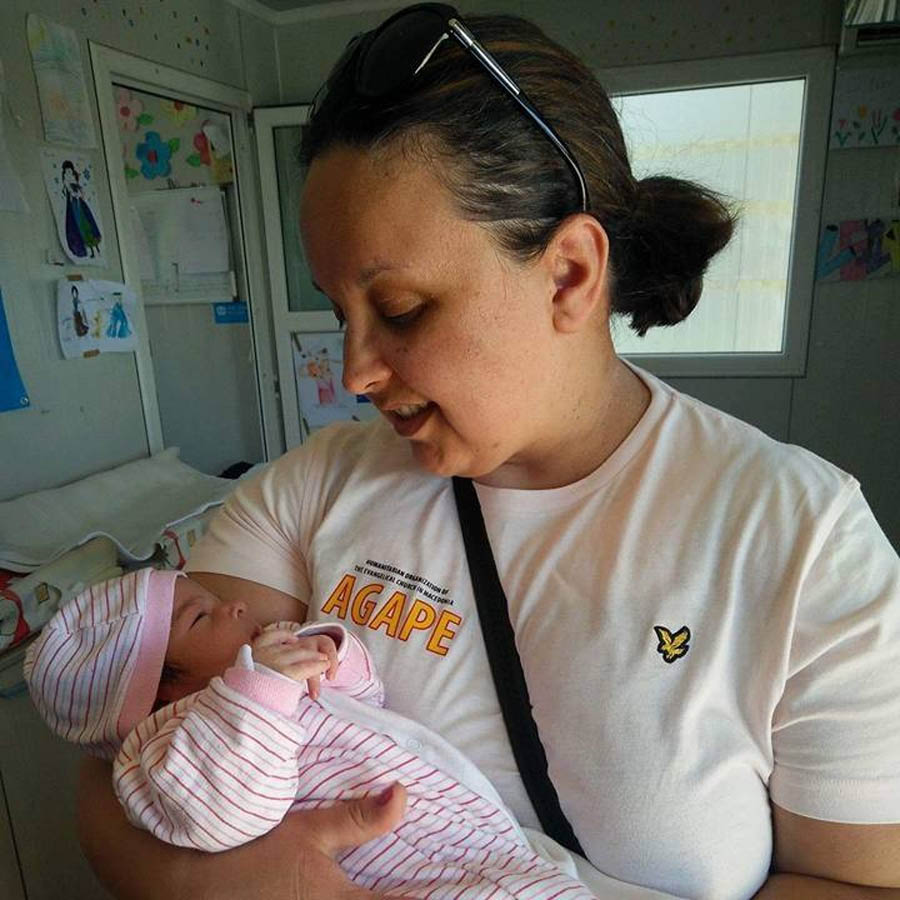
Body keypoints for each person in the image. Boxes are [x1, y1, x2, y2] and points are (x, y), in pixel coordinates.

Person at [76, 5, 900, 900]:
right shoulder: (310, 491)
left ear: (569, 275)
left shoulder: (801, 540)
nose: (354, 370)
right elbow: (123, 774)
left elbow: (858, 883)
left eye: (398, 311)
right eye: (337, 311)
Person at [26, 568, 611, 898]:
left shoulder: (266, 672)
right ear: (157, 693)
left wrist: (330, 653)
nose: (234, 606)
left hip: (477, 843)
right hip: (405, 876)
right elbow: (220, 808)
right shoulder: (171, 749)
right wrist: (259, 693)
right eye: (200, 616)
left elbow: (365, 704)